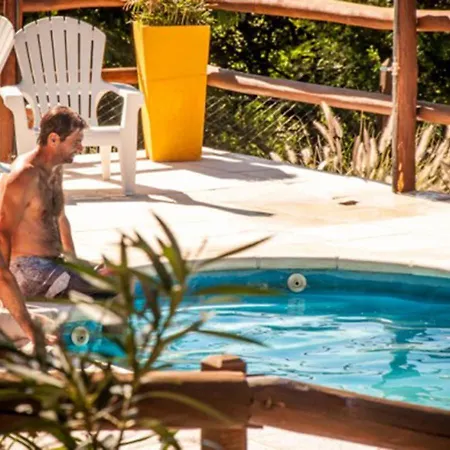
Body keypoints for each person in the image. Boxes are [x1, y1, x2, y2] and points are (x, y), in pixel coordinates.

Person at [0, 106, 112, 344]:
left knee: (113, 272)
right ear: (53, 139)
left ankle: (104, 347)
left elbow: (60, 216)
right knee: (106, 290)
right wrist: (5, 284)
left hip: (54, 263)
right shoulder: (24, 176)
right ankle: (101, 350)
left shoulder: (54, 168)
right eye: (76, 142)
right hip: (29, 269)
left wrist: (74, 262)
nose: (81, 148)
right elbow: (3, 232)